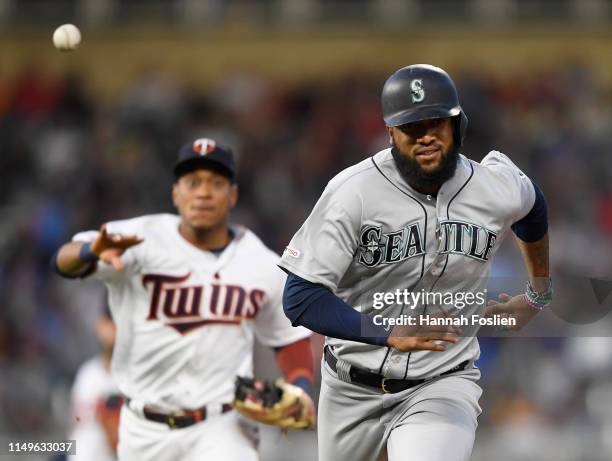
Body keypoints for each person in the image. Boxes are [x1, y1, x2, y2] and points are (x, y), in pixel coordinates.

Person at [279, 64, 551, 461]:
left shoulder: (492, 185)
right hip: (349, 388)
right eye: (412, 127)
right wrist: (387, 332)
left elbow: (533, 206)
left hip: (442, 382)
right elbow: (299, 297)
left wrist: (538, 295)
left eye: (437, 123)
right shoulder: (353, 193)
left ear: (458, 125)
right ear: (391, 132)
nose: (426, 136)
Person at [54, 138, 315, 461]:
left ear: (232, 194)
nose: (203, 193)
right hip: (143, 427)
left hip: (221, 425)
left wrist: (300, 386)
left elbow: (289, 337)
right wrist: (88, 252)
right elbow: (63, 262)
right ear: (176, 193)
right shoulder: (138, 240)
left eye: (216, 183)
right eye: (193, 183)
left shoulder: (260, 262)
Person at [68, 307, 121, 461]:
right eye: (107, 322)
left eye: (114, 323)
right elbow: (76, 428)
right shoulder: (86, 373)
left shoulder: (132, 382)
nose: (109, 330)